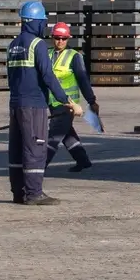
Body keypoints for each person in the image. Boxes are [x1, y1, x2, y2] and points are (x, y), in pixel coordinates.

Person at [6, 0, 72, 206]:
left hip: (16, 104)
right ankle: (34, 193)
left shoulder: (13, 45)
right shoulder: (38, 44)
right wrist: (65, 100)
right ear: (36, 22)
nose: (44, 26)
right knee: (35, 148)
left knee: (17, 148)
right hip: (34, 105)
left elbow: (10, 77)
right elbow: (48, 75)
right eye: (43, 22)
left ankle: (19, 193)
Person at [46, 22, 98, 173]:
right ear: (52, 37)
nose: (60, 41)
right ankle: (83, 160)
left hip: (68, 105)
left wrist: (92, 101)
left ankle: (38, 167)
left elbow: (83, 80)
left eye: (64, 38)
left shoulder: (74, 57)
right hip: (52, 103)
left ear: (68, 38)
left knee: (53, 137)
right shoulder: (46, 54)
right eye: (57, 38)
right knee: (67, 133)